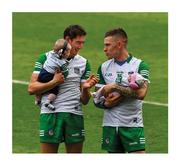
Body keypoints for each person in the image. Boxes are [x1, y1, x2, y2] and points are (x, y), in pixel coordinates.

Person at [28, 24, 98, 153]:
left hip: (74, 114)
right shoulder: (45, 58)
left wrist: (85, 89)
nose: (80, 46)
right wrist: (54, 82)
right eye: (78, 42)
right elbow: (32, 88)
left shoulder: (84, 63)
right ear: (67, 40)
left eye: (83, 43)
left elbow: (85, 100)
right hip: (50, 115)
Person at [94, 28, 150, 153]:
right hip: (110, 125)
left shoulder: (139, 66)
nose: (104, 49)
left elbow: (141, 94)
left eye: (108, 45)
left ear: (119, 44)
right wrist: (105, 104)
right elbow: (97, 99)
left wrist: (115, 87)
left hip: (132, 125)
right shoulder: (103, 67)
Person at [36, 38, 72, 111]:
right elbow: (66, 72)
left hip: (42, 73)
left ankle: (38, 100)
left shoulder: (50, 54)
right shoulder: (61, 62)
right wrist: (65, 75)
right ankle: (48, 102)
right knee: (55, 90)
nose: (69, 53)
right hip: (49, 76)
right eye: (68, 51)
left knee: (39, 87)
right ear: (62, 52)